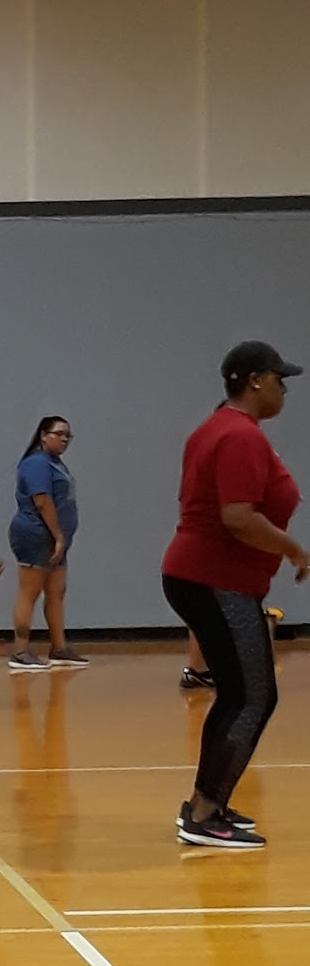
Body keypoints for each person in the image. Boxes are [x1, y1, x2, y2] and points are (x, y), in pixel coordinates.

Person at [163, 341, 308, 850]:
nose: (285, 389)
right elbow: (237, 517)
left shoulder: (220, 428)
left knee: (242, 694)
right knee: (253, 696)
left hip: (210, 576)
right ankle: (202, 814)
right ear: (254, 380)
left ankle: (210, 802)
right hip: (215, 579)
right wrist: (295, 550)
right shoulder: (238, 435)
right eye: (279, 379)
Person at [7, 416, 86, 671]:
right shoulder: (36, 464)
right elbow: (42, 501)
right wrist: (58, 536)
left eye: (68, 435)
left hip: (56, 540)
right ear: (43, 435)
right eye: (58, 433)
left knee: (56, 591)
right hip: (36, 535)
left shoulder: (56, 463)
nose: (64, 439)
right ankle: (19, 650)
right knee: (29, 592)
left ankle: (59, 647)